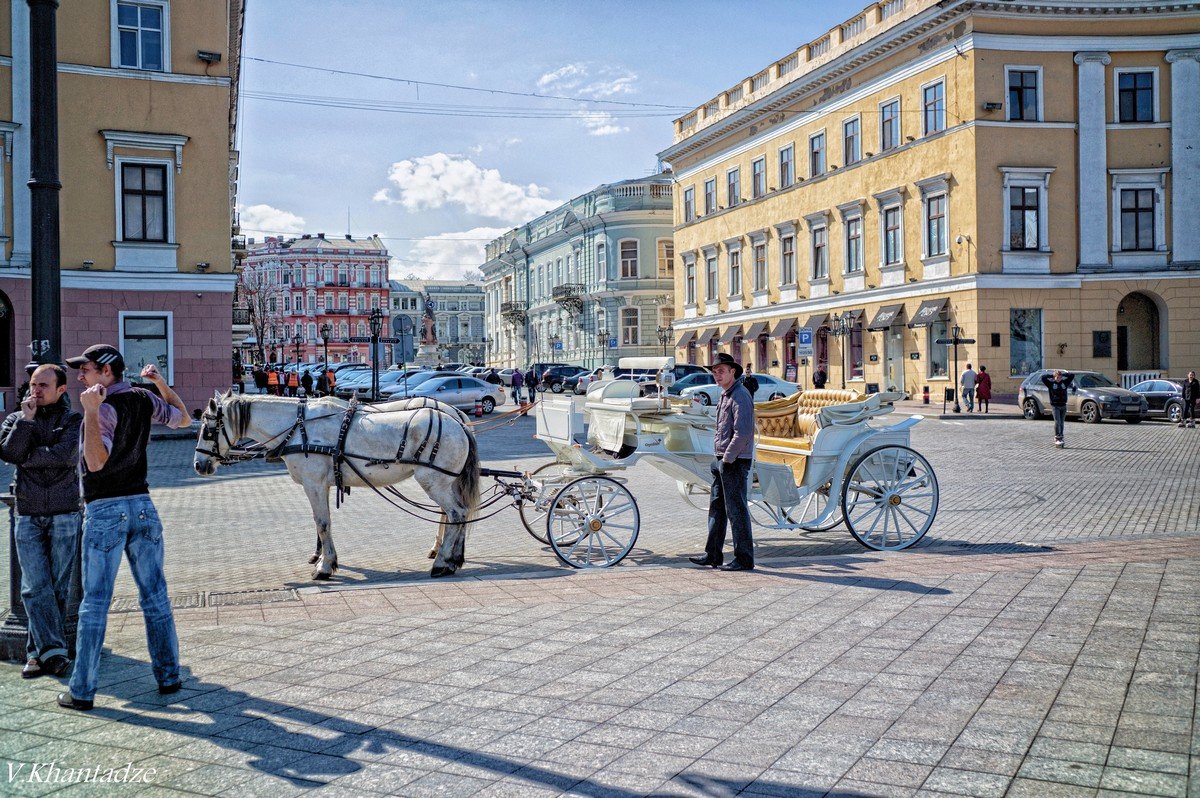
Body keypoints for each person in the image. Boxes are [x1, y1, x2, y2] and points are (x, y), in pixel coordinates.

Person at [58, 345, 190, 711]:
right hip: (143, 506)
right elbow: (182, 418)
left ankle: (82, 691)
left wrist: (90, 413)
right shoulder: (142, 399)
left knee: (95, 603)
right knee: (156, 596)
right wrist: (160, 383)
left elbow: (96, 464)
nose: (79, 376)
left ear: (105, 372)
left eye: (84, 369)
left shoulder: (103, 408)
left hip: (105, 509)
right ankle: (168, 675)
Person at [0, 365, 82, 680]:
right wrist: (28, 421)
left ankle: (36, 654)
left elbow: (66, 456)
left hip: (64, 511)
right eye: (33, 384)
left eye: (44, 385)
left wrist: (29, 457)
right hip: (28, 512)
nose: (36, 391)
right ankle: (55, 653)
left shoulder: (72, 419)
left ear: (61, 389)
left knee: (57, 587)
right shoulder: (16, 419)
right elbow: (9, 452)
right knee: (35, 587)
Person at [689, 353, 755, 572]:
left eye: (721, 371)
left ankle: (744, 558)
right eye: (714, 371)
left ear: (732, 372)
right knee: (717, 509)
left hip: (734, 460)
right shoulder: (726, 395)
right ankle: (713, 554)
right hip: (722, 459)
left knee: (736, 510)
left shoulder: (740, 395)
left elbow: (743, 432)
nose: (717, 375)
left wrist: (727, 459)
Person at [1042, 369, 1074, 448]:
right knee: (1057, 422)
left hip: (1063, 405)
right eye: (1057, 377)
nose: (1059, 378)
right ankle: (1057, 437)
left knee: (1062, 422)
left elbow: (1072, 376)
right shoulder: (1051, 384)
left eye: (1060, 377)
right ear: (1055, 377)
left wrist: (1063, 374)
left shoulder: (1064, 383)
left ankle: (1061, 437)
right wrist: (1052, 375)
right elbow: (1043, 377)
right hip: (1055, 406)